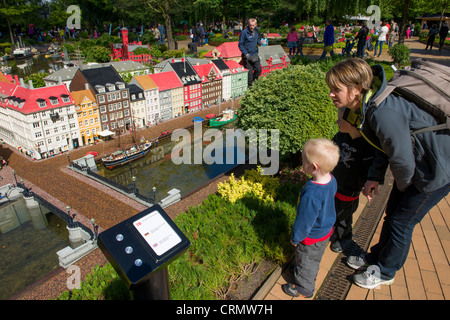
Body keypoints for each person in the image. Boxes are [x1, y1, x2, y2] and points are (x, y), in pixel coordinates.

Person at [325, 58, 449, 289]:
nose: (331, 94)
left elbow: (402, 160)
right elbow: (383, 145)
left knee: (402, 221)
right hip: (424, 165)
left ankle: (385, 271)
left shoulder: (382, 112)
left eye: (336, 89)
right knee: (392, 214)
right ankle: (375, 258)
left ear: (355, 90)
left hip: (438, 170)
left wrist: (404, 189)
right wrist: (375, 177)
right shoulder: (371, 104)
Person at [282, 138, 340, 298]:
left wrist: (296, 237)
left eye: (303, 160)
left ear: (314, 167)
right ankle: (309, 273)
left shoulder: (312, 194)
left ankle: (303, 287)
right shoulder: (331, 179)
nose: (301, 162)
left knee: (306, 261)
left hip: (311, 236)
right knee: (314, 257)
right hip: (325, 229)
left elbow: (304, 221)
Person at [329, 108, 375, 253]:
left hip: (350, 190)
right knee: (332, 210)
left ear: (352, 123)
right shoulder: (341, 136)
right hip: (334, 184)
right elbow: (330, 149)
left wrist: (369, 185)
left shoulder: (367, 146)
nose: (337, 121)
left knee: (344, 217)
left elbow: (371, 169)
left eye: (340, 119)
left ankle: (344, 238)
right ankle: (332, 231)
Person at [238, 18, 262, 87]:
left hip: (254, 54)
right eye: (250, 25)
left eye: (253, 25)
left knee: (258, 70)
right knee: (250, 74)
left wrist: (259, 42)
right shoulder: (244, 33)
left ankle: (254, 81)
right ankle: (250, 87)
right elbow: (240, 44)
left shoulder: (256, 31)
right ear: (248, 24)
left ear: (256, 25)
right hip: (247, 56)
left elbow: (256, 39)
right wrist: (246, 54)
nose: (252, 27)